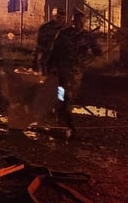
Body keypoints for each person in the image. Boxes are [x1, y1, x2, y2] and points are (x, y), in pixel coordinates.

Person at [47, 9, 102, 139]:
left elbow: (98, 52)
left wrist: (87, 59)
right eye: (77, 22)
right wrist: (49, 66)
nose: (79, 24)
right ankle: (70, 126)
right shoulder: (63, 34)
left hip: (77, 73)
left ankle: (59, 108)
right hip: (63, 70)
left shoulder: (87, 37)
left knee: (66, 96)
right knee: (65, 96)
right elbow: (54, 50)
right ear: (72, 22)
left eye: (82, 22)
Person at [34, 9, 66, 75]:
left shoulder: (65, 29)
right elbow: (39, 42)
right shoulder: (45, 27)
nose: (60, 19)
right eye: (58, 17)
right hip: (46, 56)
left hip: (59, 58)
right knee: (44, 77)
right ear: (53, 16)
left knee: (56, 78)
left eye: (62, 17)